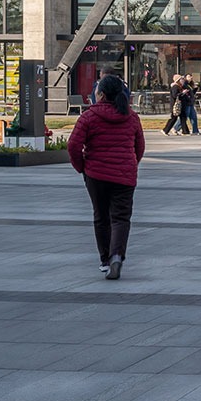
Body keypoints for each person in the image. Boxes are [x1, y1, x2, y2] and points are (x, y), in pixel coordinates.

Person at [67, 74, 145, 281]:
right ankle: (117, 256)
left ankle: (104, 260)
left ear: (100, 93)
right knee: (120, 218)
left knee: (101, 217)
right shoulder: (132, 116)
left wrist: (81, 167)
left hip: (96, 174)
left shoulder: (89, 116)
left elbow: (73, 145)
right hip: (125, 175)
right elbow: (140, 146)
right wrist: (130, 164)